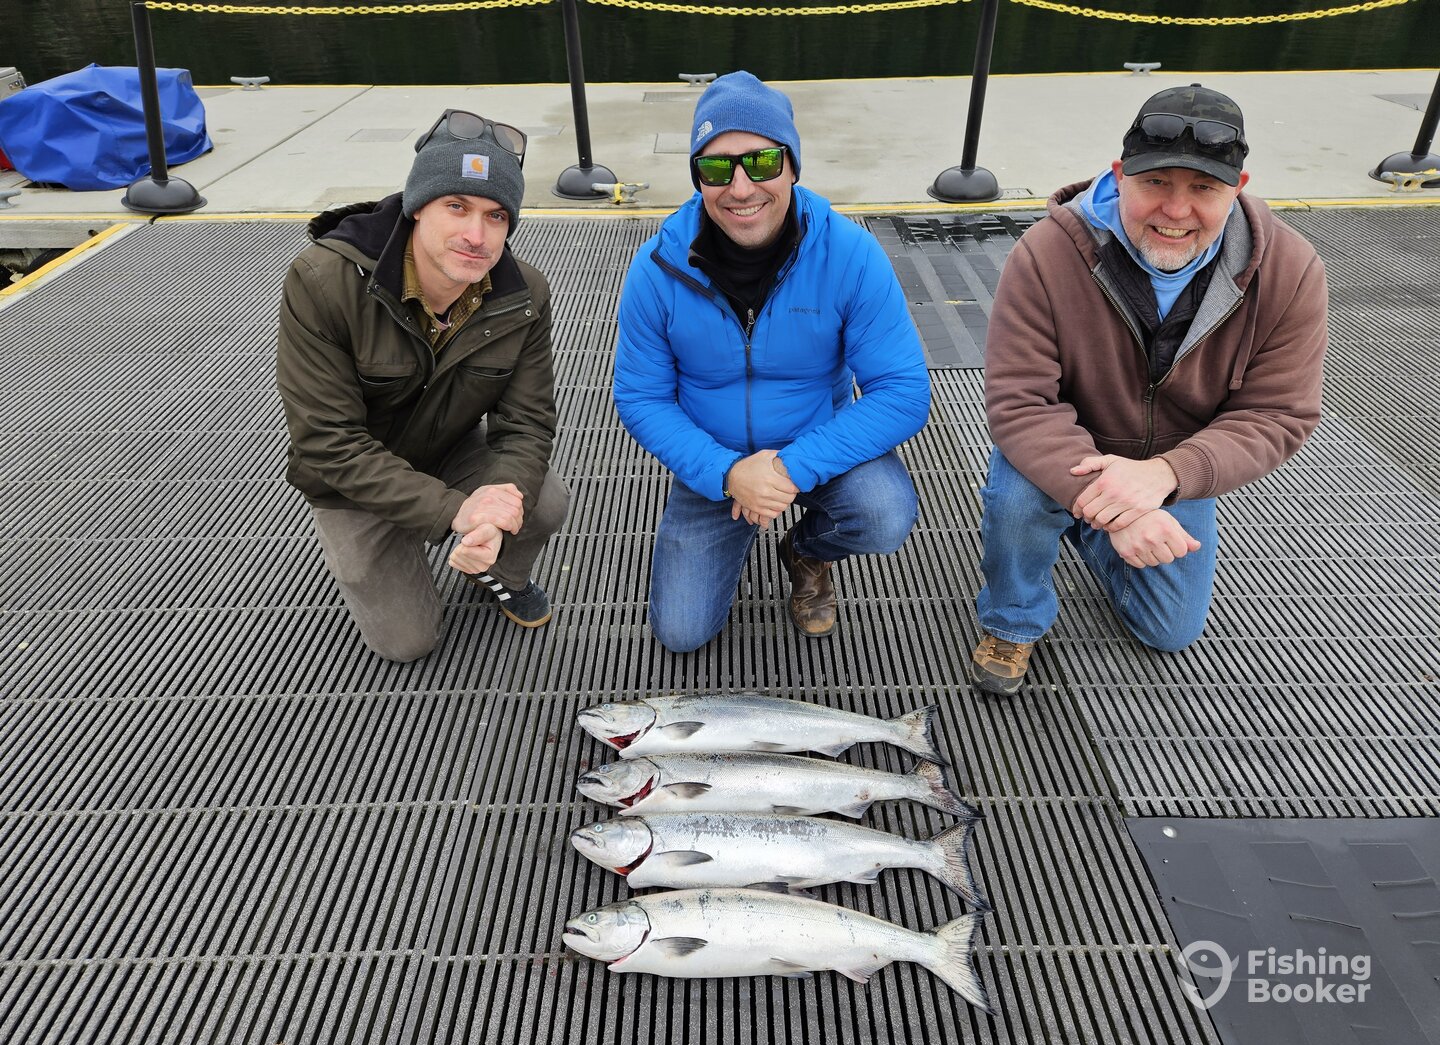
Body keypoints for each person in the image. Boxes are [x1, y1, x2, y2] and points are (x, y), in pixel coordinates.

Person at [970, 84, 1327, 695]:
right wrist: (1116, 496)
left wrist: (1160, 478)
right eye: (1155, 183)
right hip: (1065, 448)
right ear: (1119, 176)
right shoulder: (1047, 252)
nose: (1176, 210)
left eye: (1203, 189)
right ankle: (1013, 617)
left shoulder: (1290, 269)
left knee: (1168, 629)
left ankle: (1091, 523)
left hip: (1174, 463)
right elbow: (1021, 403)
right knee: (1019, 497)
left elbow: (1278, 413)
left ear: (1238, 187)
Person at [613, 71, 931, 652]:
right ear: (697, 178)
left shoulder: (850, 253)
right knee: (681, 634)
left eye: (761, 163)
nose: (740, 188)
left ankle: (805, 549)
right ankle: (736, 506)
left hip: (818, 440)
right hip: (713, 461)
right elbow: (641, 398)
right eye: (715, 168)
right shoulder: (656, 270)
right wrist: (728, 472)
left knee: (884, 515)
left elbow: (902, 390)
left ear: (791, 165)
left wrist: (787, 470)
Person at [276, 109, 568, 661]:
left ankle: (490, 566)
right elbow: (327, 442)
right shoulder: (324, 279)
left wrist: (490, 508)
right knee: (407, 645)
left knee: (543, 501)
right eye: (456, 206)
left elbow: (526, 423)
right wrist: (451, 511)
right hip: (352, 477)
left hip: (448, 446)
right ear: (416, 208)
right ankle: (402, 541)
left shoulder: (525, 291)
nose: (476, 235)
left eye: (497, 215)